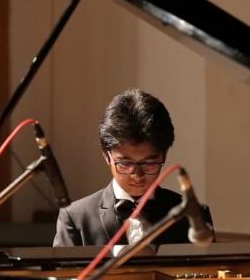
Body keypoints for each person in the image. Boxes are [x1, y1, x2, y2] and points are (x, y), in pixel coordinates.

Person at [53, 89, 214, 246]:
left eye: (149, 163)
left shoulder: (193, 217)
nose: (137, 175)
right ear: (106, 155)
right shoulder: (76, 218)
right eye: (125, 163)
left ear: (164, 155)